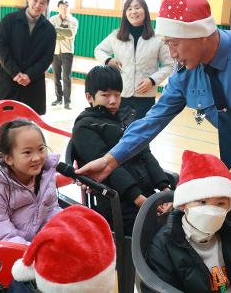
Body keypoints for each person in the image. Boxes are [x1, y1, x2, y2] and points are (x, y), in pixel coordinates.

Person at [76, 0, 231, 283]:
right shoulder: (185, 75)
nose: (171, 54)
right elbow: (152, 120)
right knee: (229, 240)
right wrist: (110, 161)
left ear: (199, 35)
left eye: (174, 44)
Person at [146, 150, 231, 292]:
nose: (211, 211)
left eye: (220, 204)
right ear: (183, 204)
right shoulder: (164, 247)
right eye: (203, 202)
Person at [71, 65, 173, 235]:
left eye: (117, 95)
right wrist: (141, 200)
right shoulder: (85, 127)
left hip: (144, 194)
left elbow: (145, 154)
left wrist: (164, 189)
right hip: (117, 203)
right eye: (105, 95)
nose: (113, 101)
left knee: (179, 222)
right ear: (89, 97)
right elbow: (107, 169)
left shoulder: (126, 118)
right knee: (164, 233)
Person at [94, 0, 173, 119]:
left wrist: (152, 81)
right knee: (118, 132)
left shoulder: (158, 38)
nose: (133, 12)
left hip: (145, 96)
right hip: (120, 94)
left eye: (137, 7)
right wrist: (108, 60)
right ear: (125, 14)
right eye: (129, 9)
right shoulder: (116, 35)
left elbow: (169, 65)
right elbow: (98, 50)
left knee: (142, 133)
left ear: (145, 12)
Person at [0, 0, 56, 116]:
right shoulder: (9, 20)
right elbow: (1, 47)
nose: (37, 6)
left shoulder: (49, 29)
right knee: (2, 125)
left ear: (47, 5)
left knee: (25, 126)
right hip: (8, 79)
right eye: (35, 0)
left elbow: (47, 58)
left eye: (42, 3)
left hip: (32, 84)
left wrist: (29, 75)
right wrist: (15, 73)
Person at [49, 0, 78, 110]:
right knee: (56, 76)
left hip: (67, 51)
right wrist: (62, 32)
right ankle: (59, 98)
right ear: (58, 8)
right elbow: (50, 35)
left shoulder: (73, 20)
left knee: (66, 77)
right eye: (61, 7)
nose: (64, 10)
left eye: (66, 7)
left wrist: (56, 30)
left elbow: (70, 34)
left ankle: (67, 101)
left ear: (69, 8)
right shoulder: (52, 19)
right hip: (55, 51)